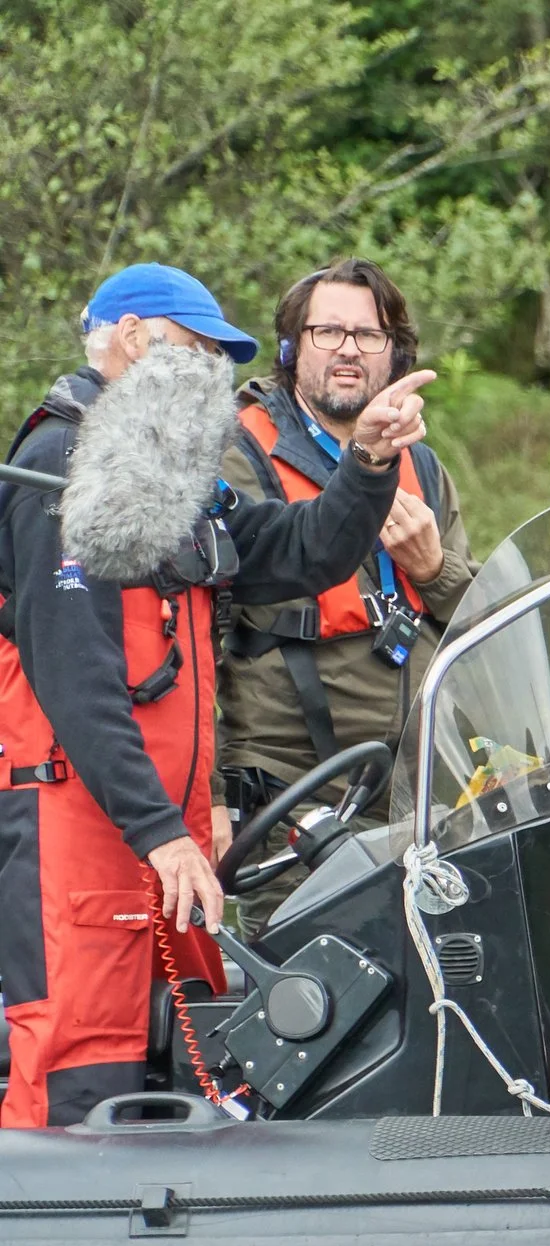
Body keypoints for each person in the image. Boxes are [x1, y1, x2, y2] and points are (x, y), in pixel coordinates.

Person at [0, 263, 432, 1128]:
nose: (211, 374)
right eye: (194, 351)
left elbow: (306, 549)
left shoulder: (178, 481)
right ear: (130, 338)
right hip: (84, 835)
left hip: (168, 843)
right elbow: (75, 679)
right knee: (80, 1069)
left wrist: (371, 460)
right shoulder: (58, 465)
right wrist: (162, 834)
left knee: (168, 1070)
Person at [221, 258, 477, 933]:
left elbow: (480, 621)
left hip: (415, 791)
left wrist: (435, 569)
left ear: (395, 354)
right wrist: (209, 801)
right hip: (296, 795)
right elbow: (198, 631)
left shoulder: (421, 463)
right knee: (313, 988)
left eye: (367, 335)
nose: (347, 348)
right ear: (290, 347)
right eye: (326, 330)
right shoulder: (237, 453)